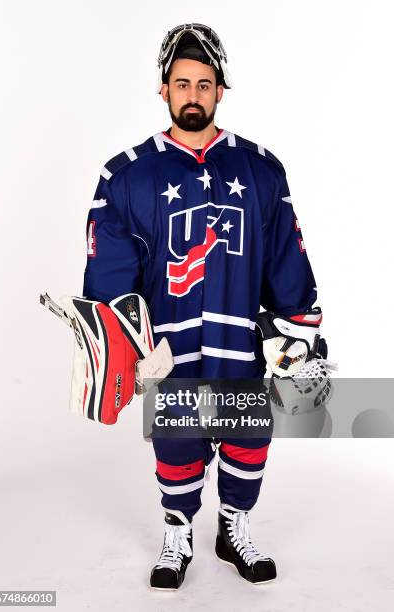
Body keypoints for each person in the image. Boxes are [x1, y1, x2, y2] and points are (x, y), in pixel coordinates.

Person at [82, 23, 321, 589]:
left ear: (220, 91)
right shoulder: (126, 175)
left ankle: (233, 523)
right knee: (178, 439)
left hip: (239, 340)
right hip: (172, 347)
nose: (193, 94)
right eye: (182, 83)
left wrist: (297, 326)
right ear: (163, 89)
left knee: (246, 436)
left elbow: (285, 250)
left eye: (205, 84)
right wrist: (123, 341)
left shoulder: (262, 170)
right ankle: (179, 529)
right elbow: (111, 272)